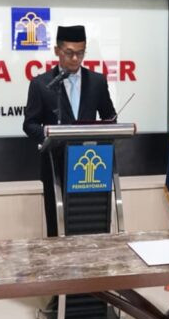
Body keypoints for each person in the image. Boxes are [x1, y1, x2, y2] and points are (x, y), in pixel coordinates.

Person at [22, 25, 116, 236]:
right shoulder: (41, 84)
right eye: (69, 53)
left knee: (92, 228)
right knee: (58, 229)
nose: (75, 59)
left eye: (80, 53)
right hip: (56, 167)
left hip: (91, 168)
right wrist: (49, 135)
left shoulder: (97, 82)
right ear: (57, 51)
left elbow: (110, 116)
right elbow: (29, 124)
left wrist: (107, 129)